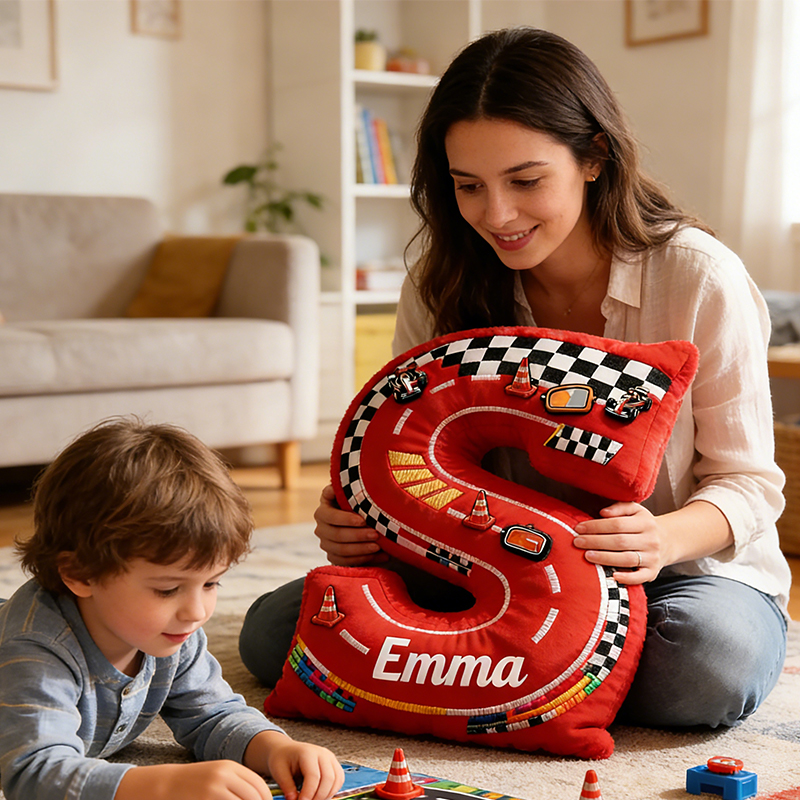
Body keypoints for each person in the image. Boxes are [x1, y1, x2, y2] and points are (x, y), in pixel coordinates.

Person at [240, 27, 791, 729]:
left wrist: (664, 539)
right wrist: (355, 518)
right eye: (468, 186)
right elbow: (399, 446)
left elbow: (750, 484)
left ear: (594, 159)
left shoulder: (697, 277)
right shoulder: (441, 284)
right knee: (273, 633)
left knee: (703, 666)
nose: (496, 215)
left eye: (526, 181)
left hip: (671, 579)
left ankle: (508, 671)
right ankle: (541, 673)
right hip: (489, 566)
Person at [0, 417, 344, 800]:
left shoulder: (170, 631)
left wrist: (275, 748)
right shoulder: (34, 650)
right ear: (80, 574)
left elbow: (213, 715)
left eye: (211, 583)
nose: (196, 611)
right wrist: (163, 785)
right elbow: (32, 775)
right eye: (167, 590)